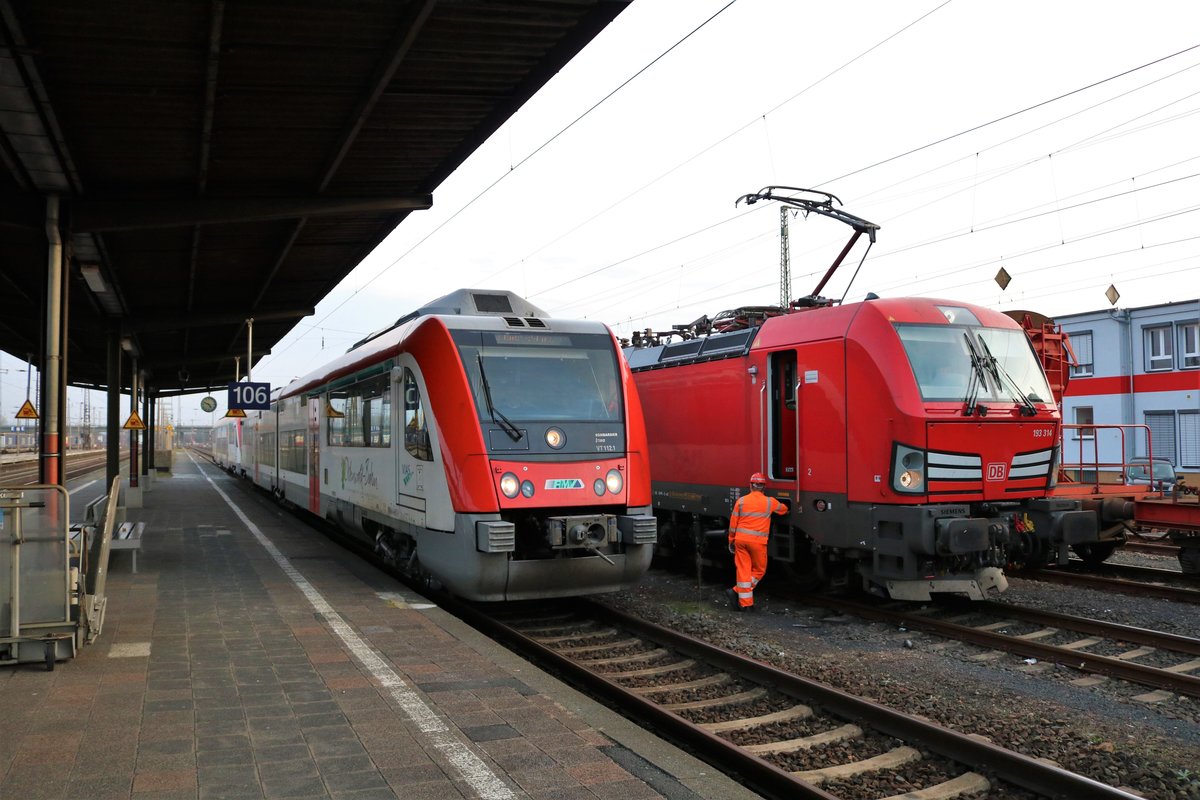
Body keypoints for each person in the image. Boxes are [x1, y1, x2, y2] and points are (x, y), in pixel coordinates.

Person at [726, 473, 789, 612]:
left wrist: (731, 540)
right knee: (759, 570)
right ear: (763, 487)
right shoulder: (769, 502)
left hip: (740, 541)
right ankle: (738, 594)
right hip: (757, 542)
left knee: (743, 570)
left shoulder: (741, 501)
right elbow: (784, 509)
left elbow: (733, 524)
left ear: (750, 486)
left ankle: (745, 604)